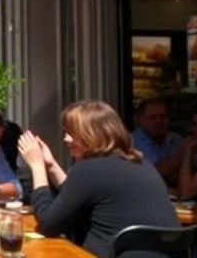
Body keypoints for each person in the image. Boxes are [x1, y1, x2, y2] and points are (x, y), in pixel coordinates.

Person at [19, 100, 179, 256]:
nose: (66, 139)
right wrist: (51, 165)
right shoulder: (142, 163)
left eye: (71, 133)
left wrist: (37, 166)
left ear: (90, 135)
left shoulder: (89, 169)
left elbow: (49, 224)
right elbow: (75, 196)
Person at [131, 98, 184, 179]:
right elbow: (155, 172)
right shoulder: (133, 142)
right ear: (141, 120)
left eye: (163, 116)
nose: (159, 121)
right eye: (153, 117)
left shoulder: (176, 139)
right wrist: (184, 153)